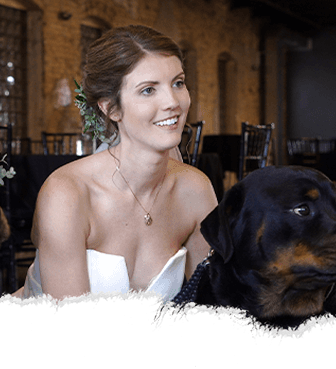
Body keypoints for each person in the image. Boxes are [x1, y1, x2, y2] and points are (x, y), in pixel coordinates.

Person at [16, 25, 217, 301]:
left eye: (178, 83)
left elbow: (211, 301)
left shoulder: (196, 190)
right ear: (110, 108)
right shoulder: (68, 194)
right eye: (148, 90)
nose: (173, 102)